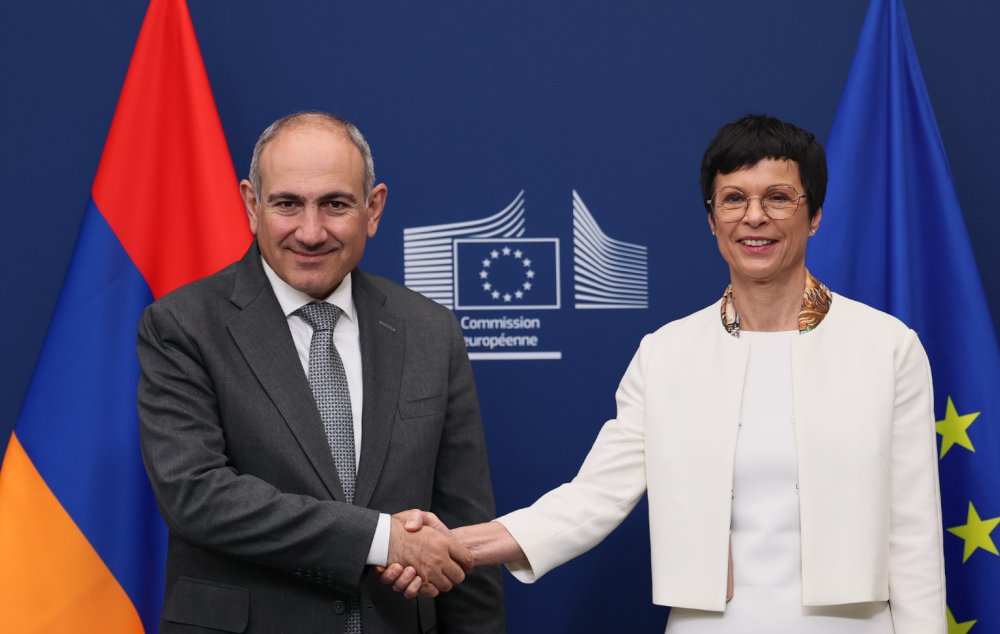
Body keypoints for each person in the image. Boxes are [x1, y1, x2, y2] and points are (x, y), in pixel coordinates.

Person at [383, 114, 946, 632]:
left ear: (815, 215)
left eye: (778, 198)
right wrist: (453, 543)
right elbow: (593, 498)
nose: (755, 217)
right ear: (712, 219)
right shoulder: (668, 354)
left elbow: (915, 536)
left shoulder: (887, 347)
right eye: (734, 199)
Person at [137, 111, 504, 633]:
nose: (310, 232)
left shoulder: (430, 331)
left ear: (373, 209)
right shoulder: (182, 325)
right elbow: (196, 495)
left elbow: (463, 531)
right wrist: (382, 539)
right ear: (252, 206)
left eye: (335, 204)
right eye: (287, 204)